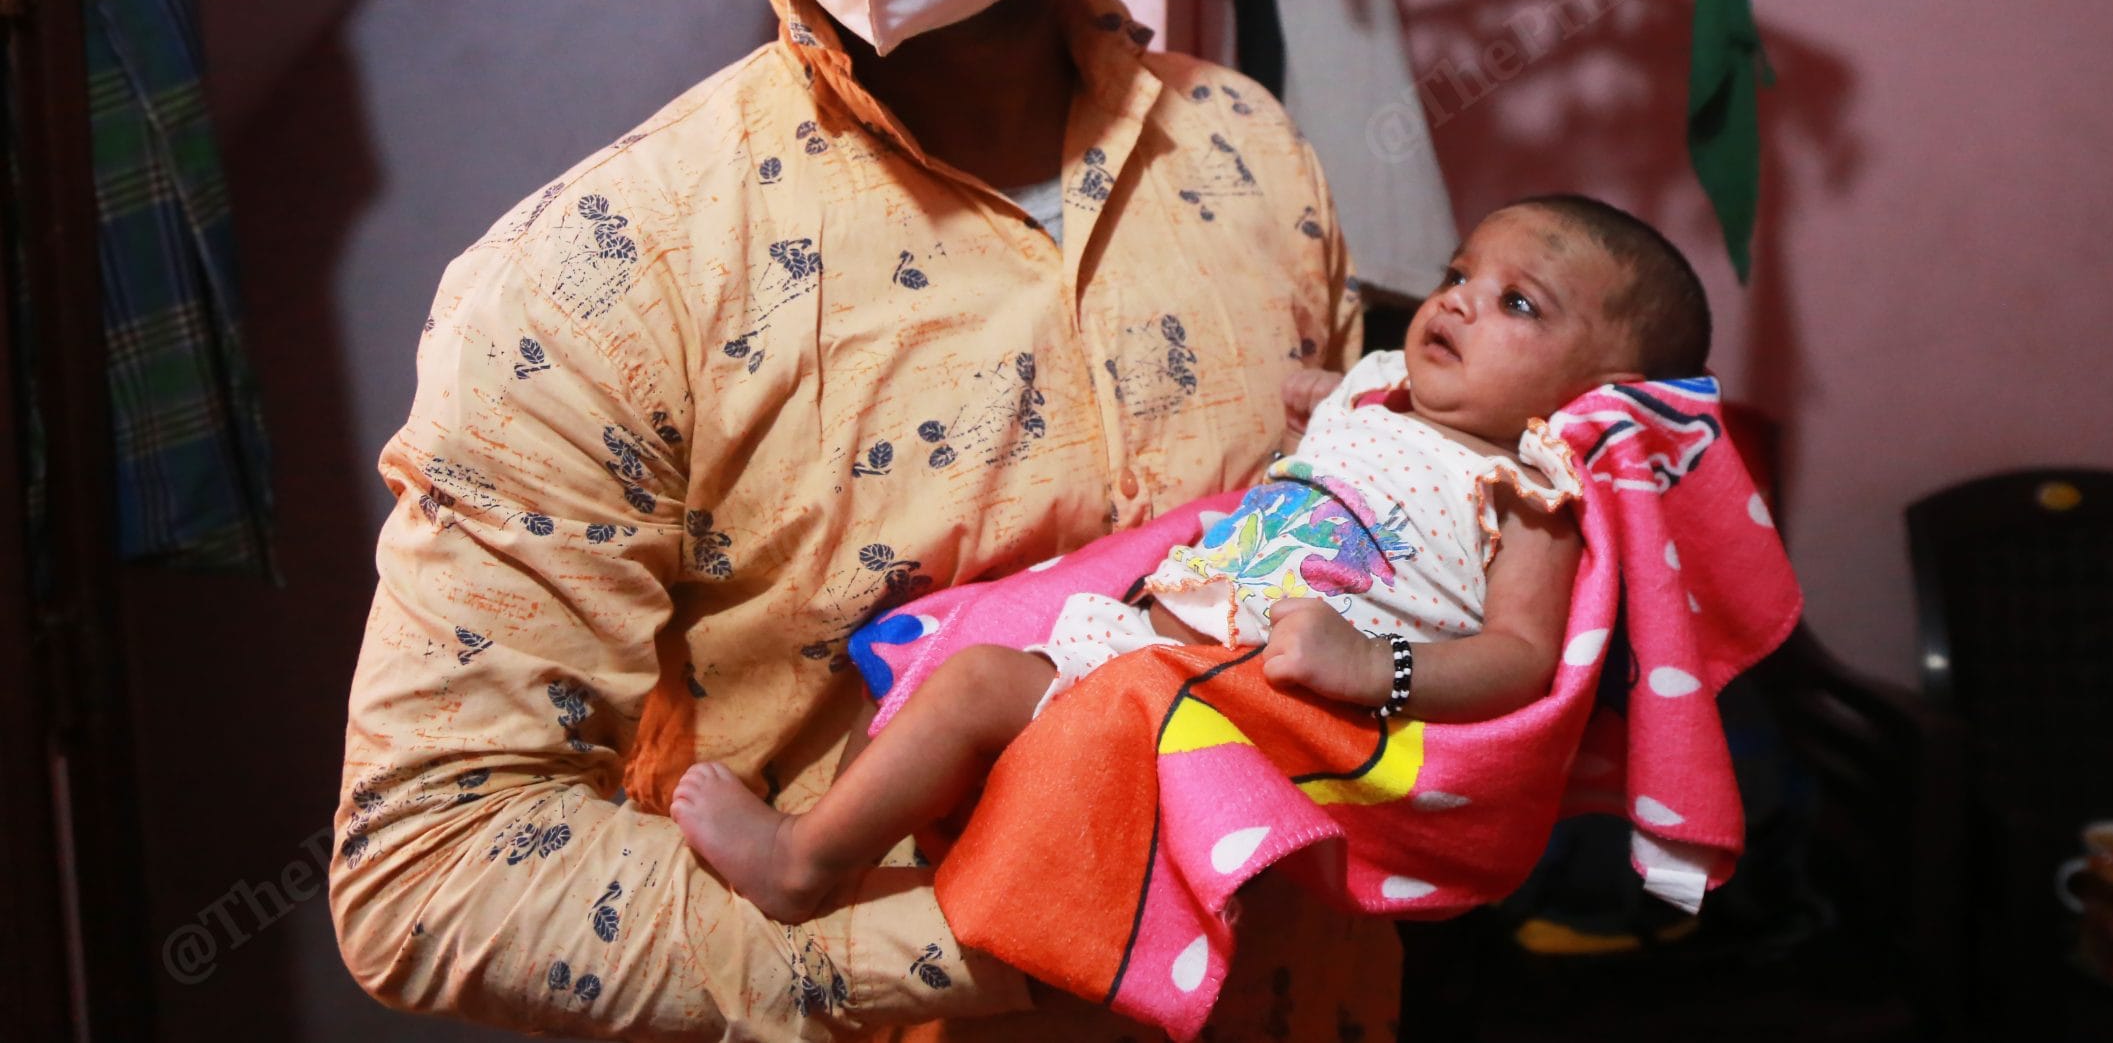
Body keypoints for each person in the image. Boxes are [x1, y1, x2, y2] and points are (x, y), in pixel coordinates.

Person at [329, 0, 1395, 1040]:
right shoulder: (603, 275)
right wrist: (1008, 931)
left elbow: (1348, 553)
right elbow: (433, 865)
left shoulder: (1250, 158)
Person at [671, 194, 1712, 926]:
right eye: (1458, 275)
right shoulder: (1386, 384)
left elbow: (1522, 657)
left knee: (979, 686)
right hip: (1155, 651)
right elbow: (1333, 421)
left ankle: (803, 865)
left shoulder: (1530, 488)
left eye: (1517, 302)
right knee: (951, 645)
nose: (1457, 302)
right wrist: (1321, 400)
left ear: (1598, 396)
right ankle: (874, 837)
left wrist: (1373, 669)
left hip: (1256, 712)